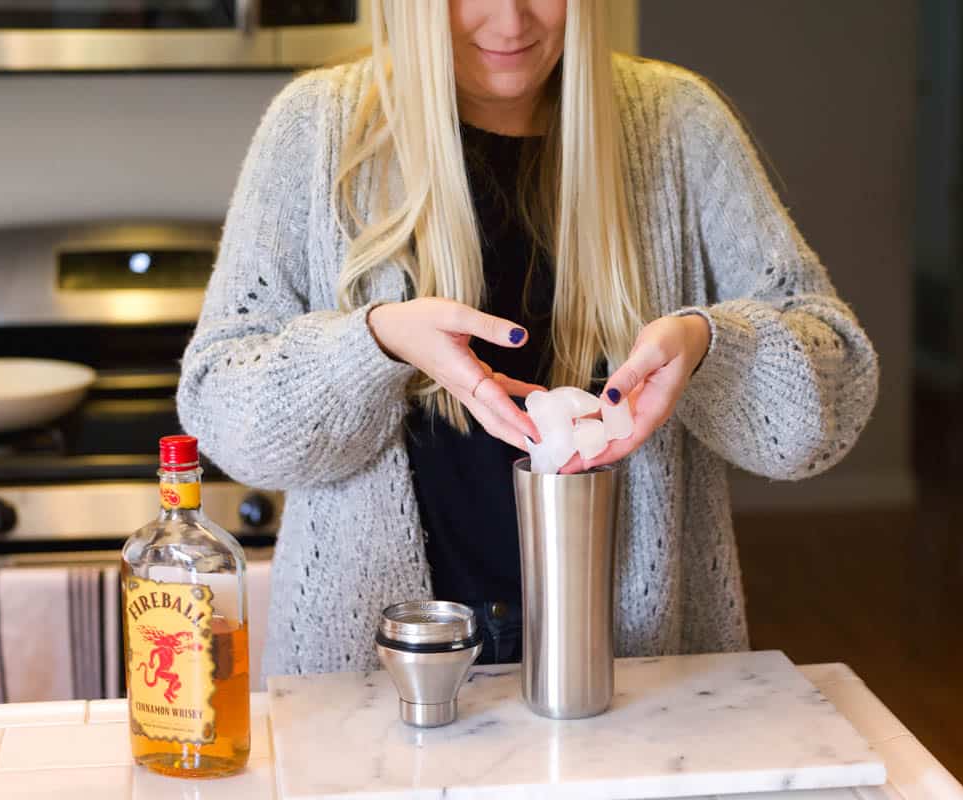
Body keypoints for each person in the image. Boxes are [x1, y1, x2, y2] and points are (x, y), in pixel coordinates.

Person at [177, 0, 878, 677]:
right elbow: (225, 414)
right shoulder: (318, 127)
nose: (510, 21)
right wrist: (376, 343)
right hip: (376, 679)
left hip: (640, 675)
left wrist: (708, 345)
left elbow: (826, 414)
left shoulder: (680, 125)